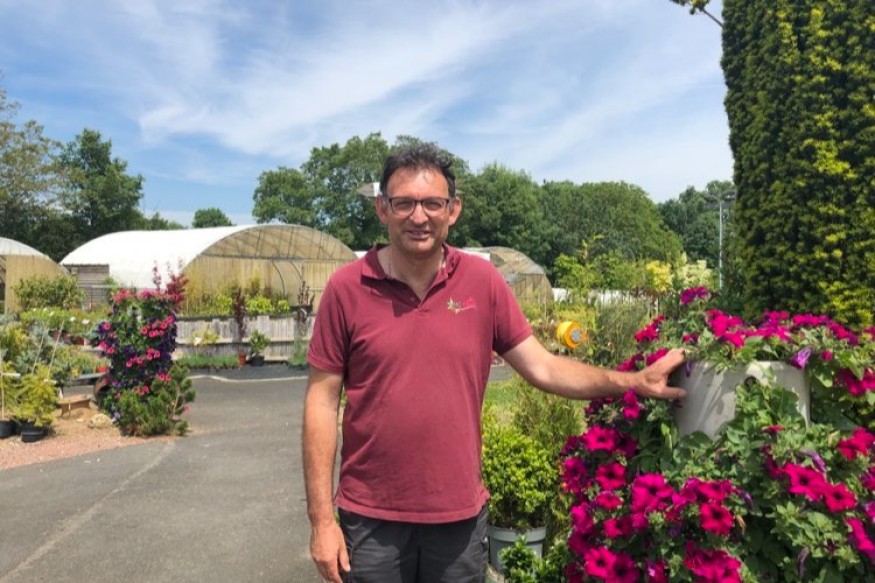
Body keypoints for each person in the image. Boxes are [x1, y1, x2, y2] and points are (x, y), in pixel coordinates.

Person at [302, 143, 686, 583]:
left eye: (432, 203)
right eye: (404, 203)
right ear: (382, 208)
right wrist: (321, 521)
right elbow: (321, 400)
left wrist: (633, 381)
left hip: (457, 519)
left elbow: (542, 366)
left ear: (454, 209)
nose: (419, 216)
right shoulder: (347, 288)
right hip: (370, 520)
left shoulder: (482, 283)